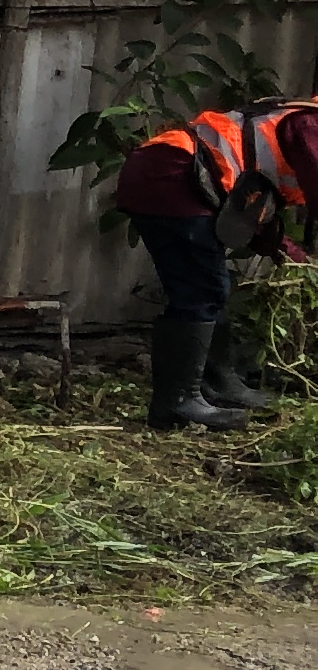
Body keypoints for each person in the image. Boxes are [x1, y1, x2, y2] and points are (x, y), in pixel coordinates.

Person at [117, 96, 318, 427]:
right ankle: (177, 402)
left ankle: (217, 385)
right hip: (175, 173)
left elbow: (253, 211)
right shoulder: (309, 125)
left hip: (170, 171)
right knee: (202, 288)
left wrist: (296, 258)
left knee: (207, 283)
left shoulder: (296, 119)